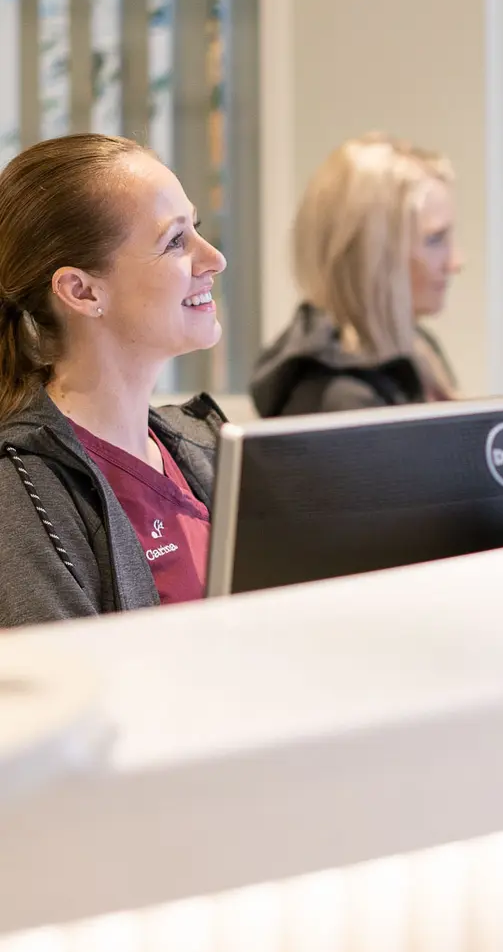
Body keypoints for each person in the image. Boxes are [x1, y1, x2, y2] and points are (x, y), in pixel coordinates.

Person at [0, 134, 227, 627]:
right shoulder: (19, 492)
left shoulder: (206, 446)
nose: (214, 259)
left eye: (197, 229)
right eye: (175, 241)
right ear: (81, 291)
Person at [250, 133, 463, 417]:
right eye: (435, 239)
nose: (456, 262)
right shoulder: (339, 400)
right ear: (373, 253)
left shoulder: (419, 348)